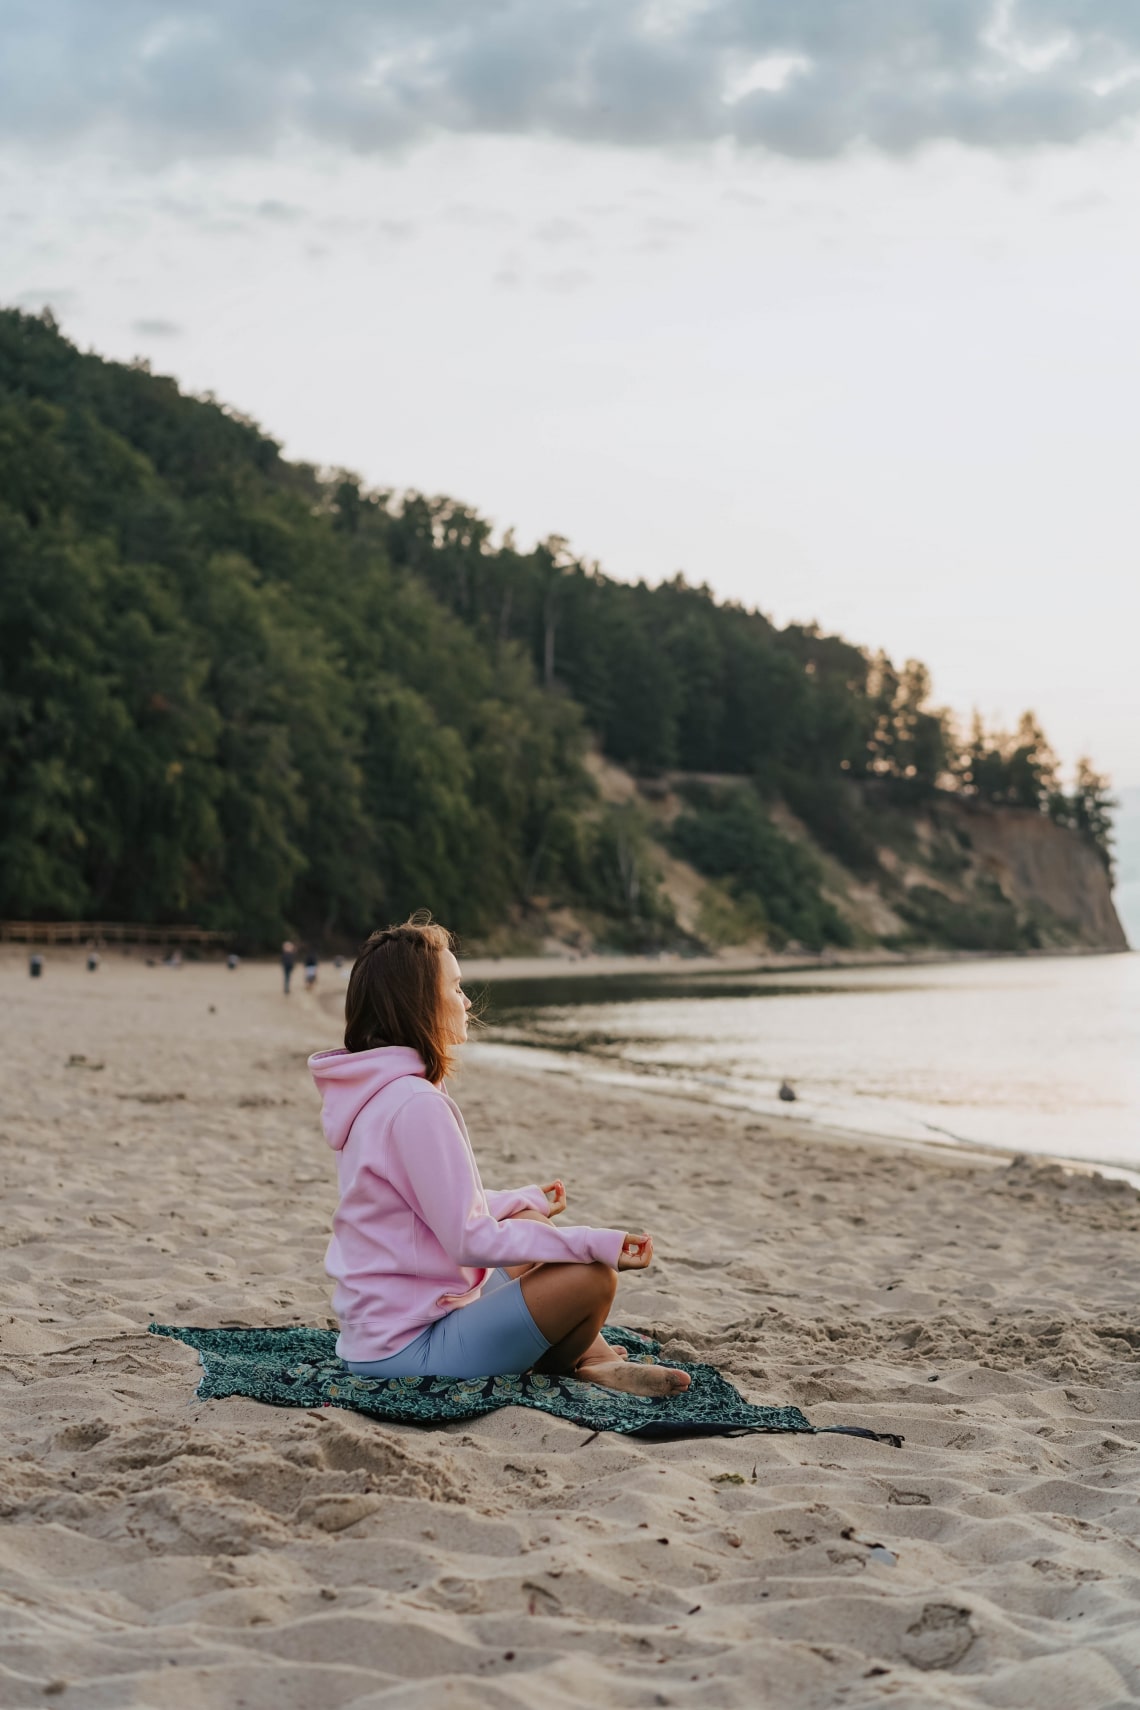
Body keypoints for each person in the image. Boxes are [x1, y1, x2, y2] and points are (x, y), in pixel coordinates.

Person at [309, 917, 690, 1395]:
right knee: (593, 1278)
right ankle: (580, 1362)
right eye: (456, 987)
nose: (466, 1001)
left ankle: (598, 1359)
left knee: (530, 1217)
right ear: (420, 1003)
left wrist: (521, 1199)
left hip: (386, 1327)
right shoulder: (415, 1104)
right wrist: (597, 1242)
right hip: (405, 1349)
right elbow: (468, 1238)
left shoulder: (378, 1092)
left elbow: (422, 1207)